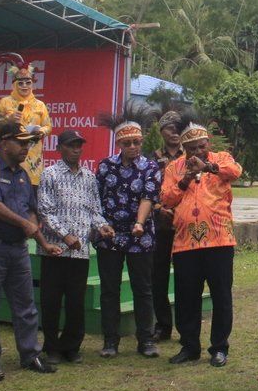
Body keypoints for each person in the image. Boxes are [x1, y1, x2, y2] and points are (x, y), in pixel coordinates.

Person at [0, 117, 62, 381]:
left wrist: (43, 242)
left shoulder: (23, 175)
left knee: (25, 306)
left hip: (18, 249)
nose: (26, 148)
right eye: (21, 143)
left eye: (29, 144)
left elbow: (30, 212)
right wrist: (25, 224)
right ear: (4, 143)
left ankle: (30, 355)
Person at [159, 119, 242, 367]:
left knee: (221, 295)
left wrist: (207, 166)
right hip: (186, 243)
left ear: (208, 143)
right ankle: (189, 346)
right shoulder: (174, 168)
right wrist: (186, 178)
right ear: (184, 148)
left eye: (201, 146)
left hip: (219, 240)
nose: (197, 152)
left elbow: (235, 171)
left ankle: (219, 347)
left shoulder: (221, 158)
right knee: (186, 297)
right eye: (191, 148)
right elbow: (166, 198)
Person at [37, 129, 114, 364]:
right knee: (51, 300)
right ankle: (51, 347)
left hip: (80, 251)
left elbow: (94, 211)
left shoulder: (89, 178)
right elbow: (45, 210)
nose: (76, 149)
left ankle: (71, 346)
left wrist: (102, 226)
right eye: (71, 145)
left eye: (79, 145)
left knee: (75, 301)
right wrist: (65, 235)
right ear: (60, 148)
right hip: (55, 249)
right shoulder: (49, 174)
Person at [95, 105, 161, 359]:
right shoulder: (105, 166)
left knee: (142, 288)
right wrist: (101, 223)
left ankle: (145, 340)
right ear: (119, 144)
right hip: (109, 235)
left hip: (139, 235)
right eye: (128, 143)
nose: (133, 147)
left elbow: (148, 196)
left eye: (137, 142)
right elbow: (96, 199)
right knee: (109, 289)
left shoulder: (150, 168)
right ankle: (110, 341)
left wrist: (140, 223)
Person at [150, 106, 187, 342]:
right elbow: (147, 189)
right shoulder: (152, 158)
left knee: (185, 278)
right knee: (158, 277)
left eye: (178, 129)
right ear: (162, 131)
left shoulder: (191, 155)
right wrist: (157, 209)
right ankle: (163, 326)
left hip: (185, 225)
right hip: (161, 226)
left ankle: (186, 328)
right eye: (170, 129)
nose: (174, 133)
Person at [0, 54, 51, 186]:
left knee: (31, 193)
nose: (25, 86)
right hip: (11, 152)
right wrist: (8, 119)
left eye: (28, 82)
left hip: (33, 153)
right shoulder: (5, 102)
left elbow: (48, 126)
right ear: (14, 85)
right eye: (20, 83)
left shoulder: (39, 105)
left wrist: (41, 131)